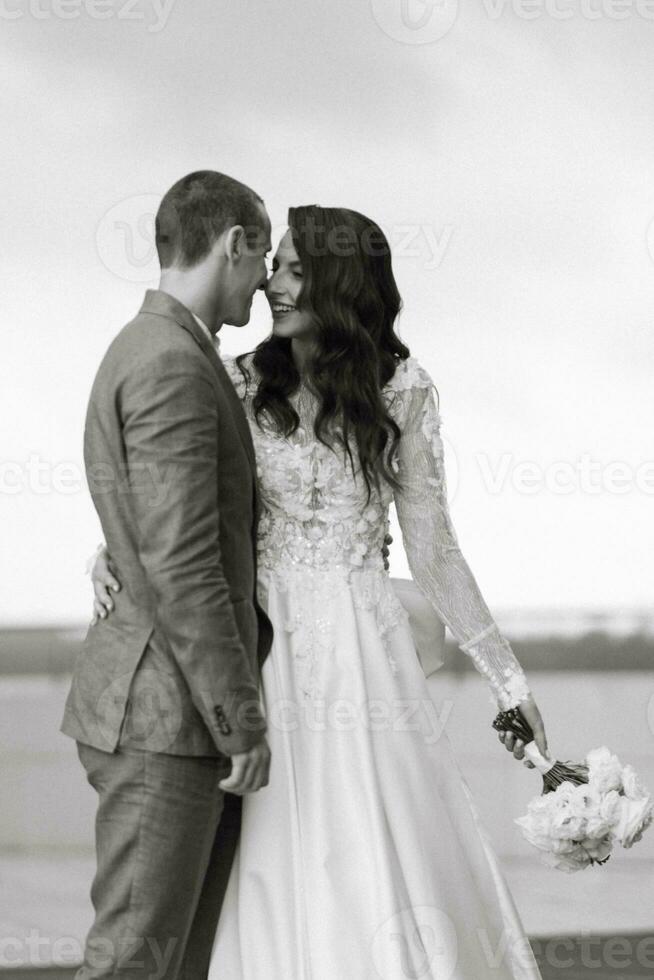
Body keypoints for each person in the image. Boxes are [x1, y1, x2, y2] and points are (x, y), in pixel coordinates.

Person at [91, 205, 548, 978]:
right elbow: (183, 498)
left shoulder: (402, 391)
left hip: (360, 653)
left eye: (295, 268)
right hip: (254, 642)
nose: (273, 281)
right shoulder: (234, 381)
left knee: (373, 842)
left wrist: (508, 679)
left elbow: (435, 547)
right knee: (259, 848)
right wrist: (111, 549)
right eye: (274, 264)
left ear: (338, 285)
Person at [61, 171, 275, 978]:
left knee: (176, 964)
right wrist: (238, 722)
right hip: (166, 721)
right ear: (235, 243)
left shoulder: (155, 347)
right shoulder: (171, 365)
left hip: (168, 716)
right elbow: (183, 564)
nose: (263, 280)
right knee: (131, 965)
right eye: (262, 258)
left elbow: (153, 529)